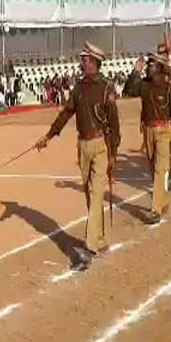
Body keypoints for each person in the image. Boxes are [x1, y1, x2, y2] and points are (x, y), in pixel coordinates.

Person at [35, 42, 120, 268]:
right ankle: (99, 239)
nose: (81, 62)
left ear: (94, 62)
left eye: (84, 59)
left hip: (101, 144)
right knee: (90, 196)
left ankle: (89, 247)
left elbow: (114, 124)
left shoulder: (106, 87)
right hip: (82, 146)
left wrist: (114, 155)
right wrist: (49, 135)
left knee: (95, 191)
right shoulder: (79, 88)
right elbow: (66, 114)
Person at [123, 50, 171, 224]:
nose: (148, 67)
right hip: (148, 130)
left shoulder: (168, 85)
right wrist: (135, 72)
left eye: (151, 64)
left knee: (160, 168)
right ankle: (164, 200)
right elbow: (129, 91)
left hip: (163, 129)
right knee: (153, 168)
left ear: (159, 67)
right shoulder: (143, 84)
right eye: (148, 64)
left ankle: (155, 209)